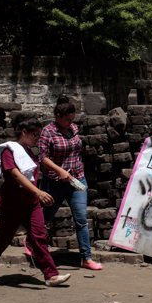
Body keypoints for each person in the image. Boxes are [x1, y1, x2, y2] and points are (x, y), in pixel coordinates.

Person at [0, 115, 71, 287]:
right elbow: (15, 174)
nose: (37, 139)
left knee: (39, 236)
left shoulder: (29, 152)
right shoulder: (9, 150)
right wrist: (38, 191)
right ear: (24, 132)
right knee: (3, 238)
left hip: (30, 202)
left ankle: (51, 275)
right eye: (34, 135)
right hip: (11, 202)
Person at [37, 96, 103, 271]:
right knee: (45, 218)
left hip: (77, 180)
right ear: (57, 116)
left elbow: (76, 150)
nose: (70, 122)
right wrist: (60, 170)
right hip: (55, 183)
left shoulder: (73, 128)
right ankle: (33, 243)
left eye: (72, 119)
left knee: (81, 219)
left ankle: (86, 258)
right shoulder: (48, 132)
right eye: (67, 119)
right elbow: (42, 157)